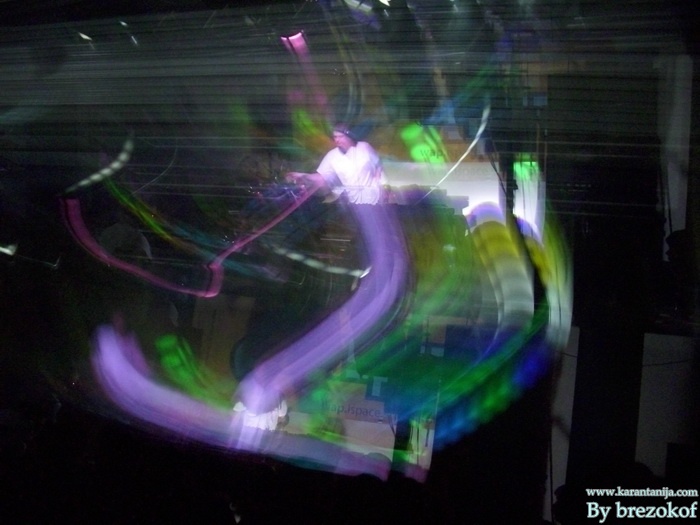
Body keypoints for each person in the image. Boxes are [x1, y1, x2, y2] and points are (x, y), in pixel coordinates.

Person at [286, 123, 387, 205]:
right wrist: (304, 176)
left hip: (377, 201)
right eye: (335, 137)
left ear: (349, 136)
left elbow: (378, 165)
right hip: (356, 205)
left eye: (340, 136)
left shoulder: (364, 147)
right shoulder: (332, 156)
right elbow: (321, 178)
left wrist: (383, 187)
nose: (337, 140)